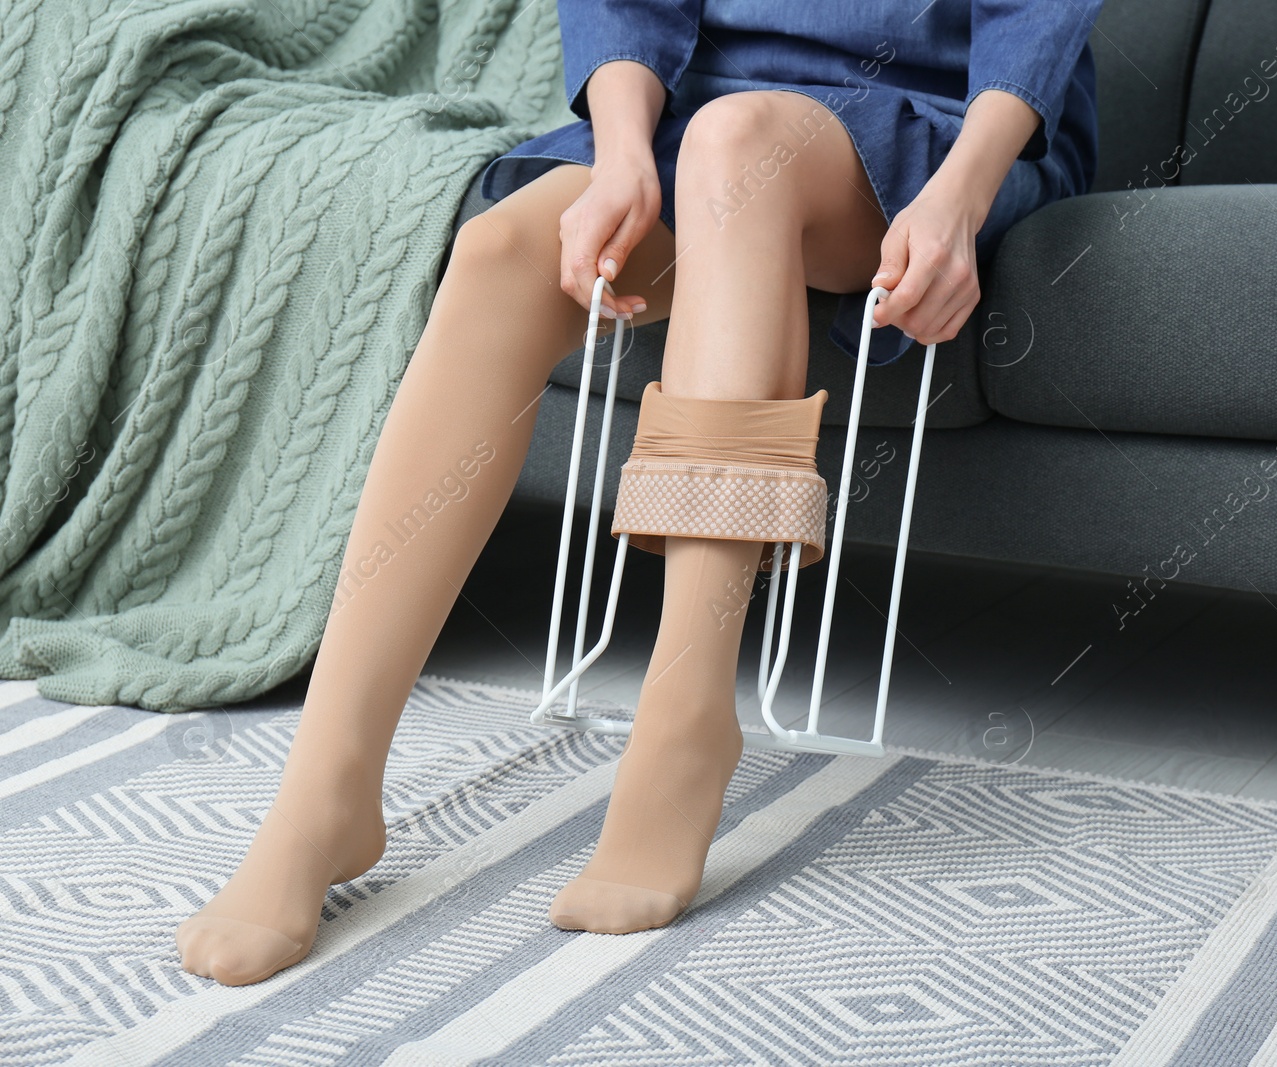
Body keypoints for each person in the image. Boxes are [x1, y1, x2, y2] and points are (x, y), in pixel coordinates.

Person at [174, 0, 1102, 985]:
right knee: (500, 252)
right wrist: (620, 153)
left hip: (941, 125)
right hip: (698, 119)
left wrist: (961, 196)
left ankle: (684, 722)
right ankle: (328, 789)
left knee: (735, 143)